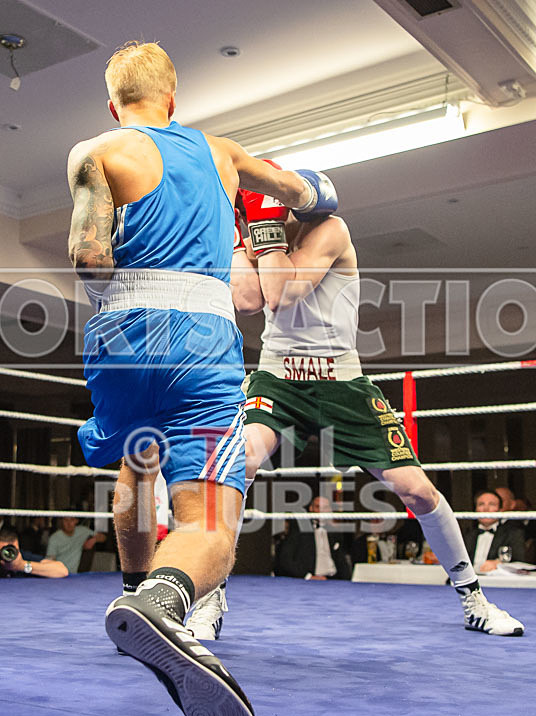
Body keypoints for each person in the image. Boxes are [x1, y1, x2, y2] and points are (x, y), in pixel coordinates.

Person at [67, 41, 335, 716]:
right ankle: (161, 601)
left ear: (113, 106)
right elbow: (303, 193)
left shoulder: (95, 152)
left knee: (137, 459)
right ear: (172, 98)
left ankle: (134, 592)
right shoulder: (221, 151)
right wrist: (316, 194)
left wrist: (128, 302)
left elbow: (88, 258)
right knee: (208, 521)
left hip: (118, 337)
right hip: (200, 338)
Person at [192, 182, 524, 639]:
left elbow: (284, 293)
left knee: (417, 492)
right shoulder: (254, 235)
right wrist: (237, 236)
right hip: (278, 377)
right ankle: (210, 599)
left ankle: (474, 599)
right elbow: (249, 301)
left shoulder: (330, 229)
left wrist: (264, 230)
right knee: (237, 461)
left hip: (342, 382)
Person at [274, 496, 352, 580]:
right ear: (311, 508)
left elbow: (342, 561)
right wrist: (308, 576)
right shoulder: (299, 529)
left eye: (325, 507)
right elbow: (285, 559)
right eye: (318, 507)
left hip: (334, 579)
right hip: (310, 580)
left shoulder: (334, 532)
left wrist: (348, 581)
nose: (322, 511)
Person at [0, 530, 68, 579]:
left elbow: (62, 571)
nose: (9, 554)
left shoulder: (24, 558)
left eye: (12, 550)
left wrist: (22, 566)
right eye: (4, 551)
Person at [462, 490, 526, 571]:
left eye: (492, 504)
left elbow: (520, 563)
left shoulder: (513, 534)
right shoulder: (467, 535)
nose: (486, 509)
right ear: (476, 509)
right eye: (481, 504)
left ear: (500, 510)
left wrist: (499, 563)